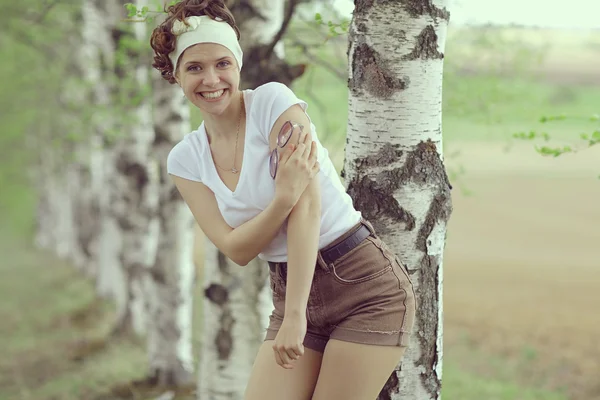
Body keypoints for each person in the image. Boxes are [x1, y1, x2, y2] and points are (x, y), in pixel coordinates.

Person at [150, 1, 416, 399]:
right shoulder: (185, 160)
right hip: (291, 288)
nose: (211, 79)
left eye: (222, 63)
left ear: (237, 64)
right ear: (175, 75)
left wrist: (295, 317)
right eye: (194, 67)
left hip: (363, 285)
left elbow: (307, 209)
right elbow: (236, 248)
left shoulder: (273, 104)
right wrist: (282, 198)